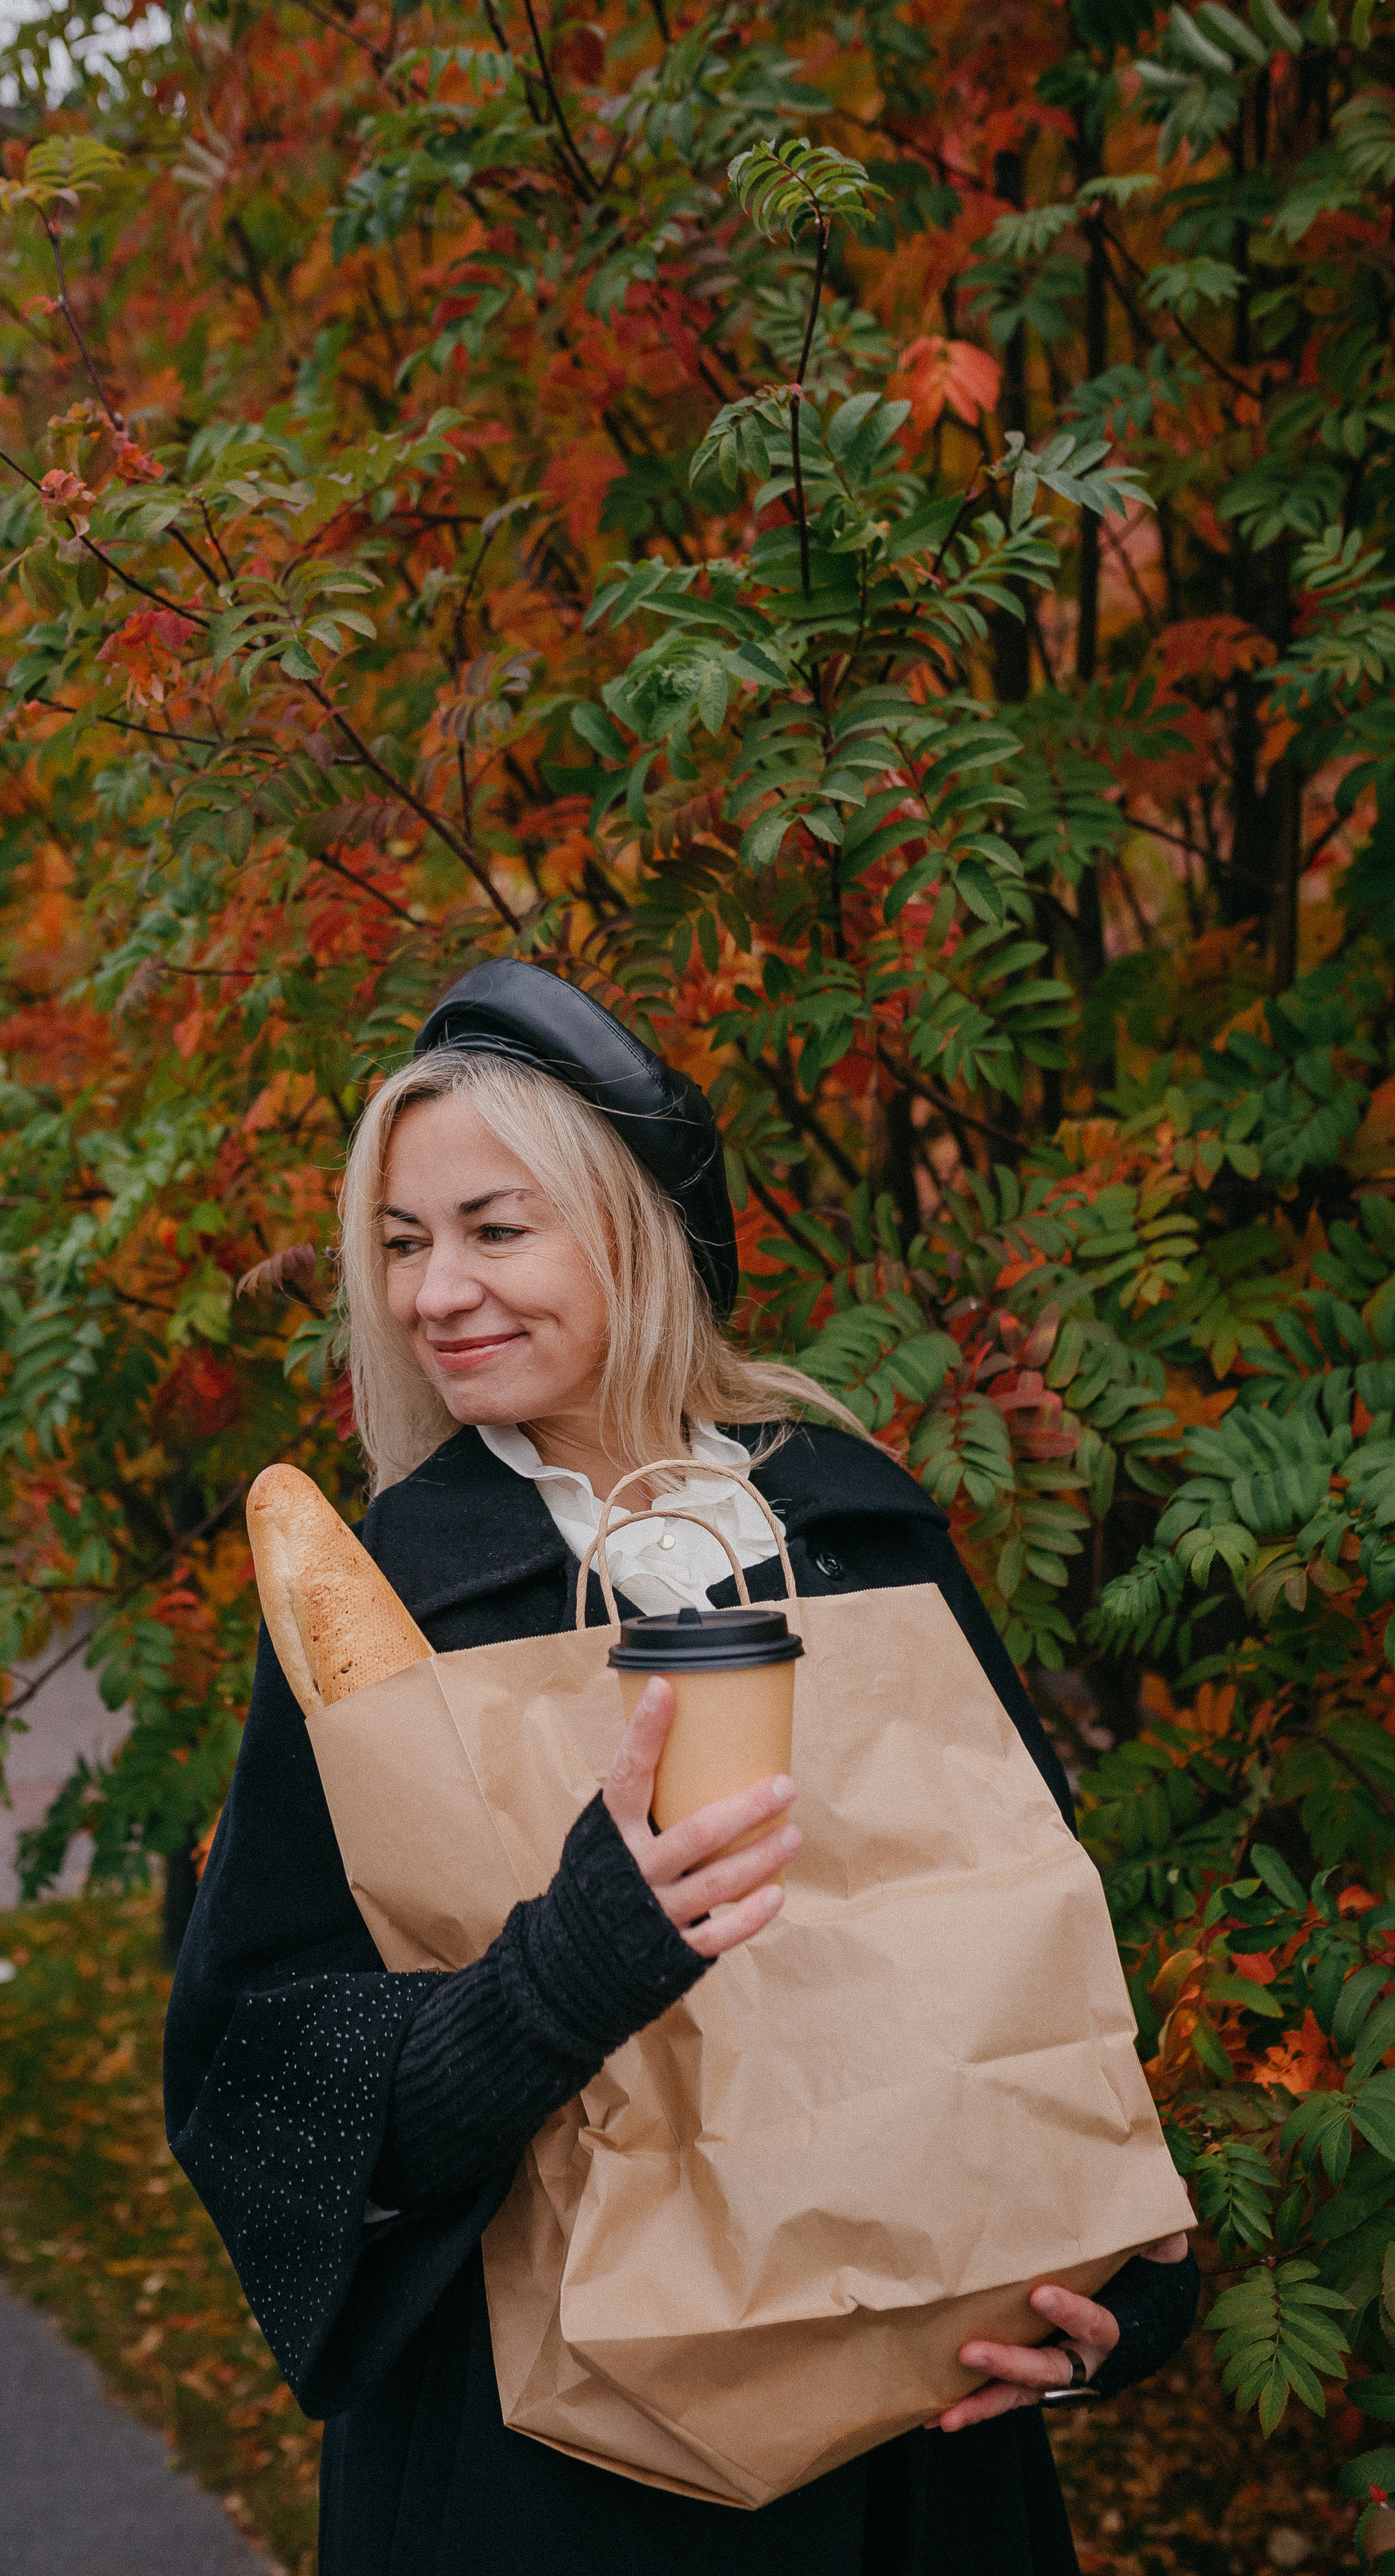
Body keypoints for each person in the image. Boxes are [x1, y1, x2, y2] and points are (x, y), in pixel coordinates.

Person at [164, 960, 1196, 2576]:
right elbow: (259, 2089)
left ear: (634, 1234)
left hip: (912, 2445)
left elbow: (1035, 1935)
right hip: (566, 2477)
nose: (436, 1294)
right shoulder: (389, 1606)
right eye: (403, 1243)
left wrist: (1117, 2295)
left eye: (494, 1230)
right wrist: (565, 1975)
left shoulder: (855, 1527)